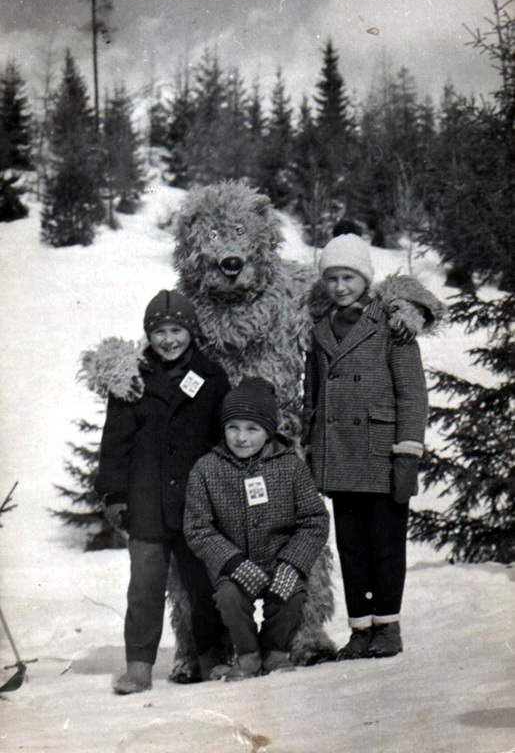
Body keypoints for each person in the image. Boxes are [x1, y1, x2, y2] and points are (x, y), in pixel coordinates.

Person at [96, 289, 230, 693]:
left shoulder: (211, 376)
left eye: (176, 330)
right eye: (159, 332)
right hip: (146, 504)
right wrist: (115, 496)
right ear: (148, 335)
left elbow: (223, 436)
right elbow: (114, 443)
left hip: (196, 504)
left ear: (191, 332)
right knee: (145, 588)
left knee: (204, 586)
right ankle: (138, 666)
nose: (168, 340)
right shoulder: (131, 379)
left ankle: (214, 659)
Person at [302, 234, 428, 660]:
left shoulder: (393, 324)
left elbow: (412, 393)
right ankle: (360, 629)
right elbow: (312, 395)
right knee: (351, 546)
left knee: (386, 545)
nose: (340, 286)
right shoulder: (320, 330)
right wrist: (311, 446)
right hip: (338, 455)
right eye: (332, 278)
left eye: (349, 277)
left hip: (380, 454)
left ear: (365, 278)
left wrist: (407, 452)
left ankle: (387, 625)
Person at [184, 378, 330, 681]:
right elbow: (197, 527)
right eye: (233, 428)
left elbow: (314, 519)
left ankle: (274, 650)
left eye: (253, 429)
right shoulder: (206, 469)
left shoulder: (290, 466)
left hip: (280, 560)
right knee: (228, 597)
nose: (241, 438)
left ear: (269, 432)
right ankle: (248, 654)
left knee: (290, 596)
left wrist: (292, 562)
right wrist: (231, 562)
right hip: (235, 564)